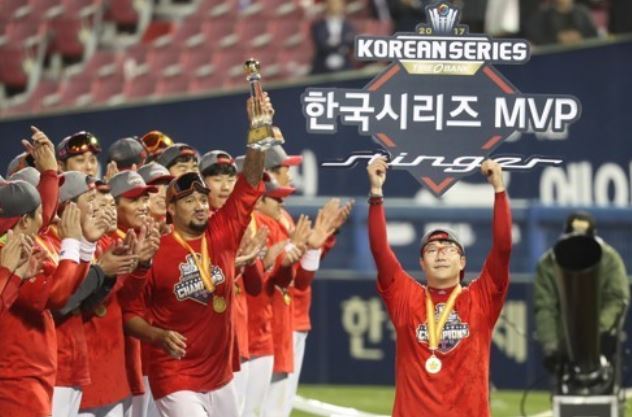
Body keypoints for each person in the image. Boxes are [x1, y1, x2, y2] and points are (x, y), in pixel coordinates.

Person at [122, 94, 270, 417]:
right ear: (171, 210)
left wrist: (258, 133)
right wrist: (157, 335)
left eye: (203, 198)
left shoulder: (222, 232)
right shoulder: (155, 249)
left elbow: (249, 183)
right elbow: (130, 313)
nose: (201, 205)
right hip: (174, 373)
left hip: (220, 375)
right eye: (190, 200)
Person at [367, 156, 511, 417]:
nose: (441, 253)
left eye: (449, 249)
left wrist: (499, 190)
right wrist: (376, 193)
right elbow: (380, 250)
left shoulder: (482, 297)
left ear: (462, 262)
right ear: (422, 262)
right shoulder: (405, 296)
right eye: (432, 249)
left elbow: (502, 248)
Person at [534, 212, 630, 390]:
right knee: (565, 395)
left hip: (603, 343)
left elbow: (617, 298)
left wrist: (596, 332)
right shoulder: (549, 263)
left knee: (604, 396)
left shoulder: (610, 260)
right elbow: (545, 306)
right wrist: (551, 344)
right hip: (564, 344)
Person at [310, 0, 356, 74]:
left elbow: (351, 43)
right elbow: (321, 44)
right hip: (322, 65)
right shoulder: (318, 26)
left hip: (345, 64)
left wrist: (336, 44)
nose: (335, 7)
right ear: (326, 6)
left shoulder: (348, 26)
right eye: (332, 4)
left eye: (338, 4)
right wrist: (341, 44)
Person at [526, 0, 598, 46]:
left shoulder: (582, 13)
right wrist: (558, 38)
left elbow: (594, 36)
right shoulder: (543, 16)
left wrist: (580, 36)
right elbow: (536, 40)